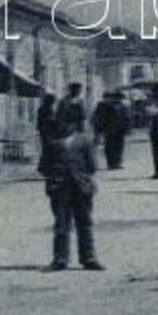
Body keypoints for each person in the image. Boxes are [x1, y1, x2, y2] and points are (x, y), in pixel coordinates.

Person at [40, 111, 101, 271]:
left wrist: (81, 175)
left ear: (74, 124)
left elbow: (92, 166)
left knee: (85, 222)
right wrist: (55, 175)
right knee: (61, 224)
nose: (64, 125)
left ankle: (89, 257)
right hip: (59, 188)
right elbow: (43, 167)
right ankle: (60, 258)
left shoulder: (84, 141)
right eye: (60, 122)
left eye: (68, 122)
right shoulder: (51, 142)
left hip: (81, 188)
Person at [91, 91, 131, 170]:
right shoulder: (107, 106)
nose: (119, 100)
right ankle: (111, 163)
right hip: (110, 130)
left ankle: (118, 162)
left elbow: (126, 118)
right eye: (119, 98)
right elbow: (103, 118)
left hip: (119, 130)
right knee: (110, 147)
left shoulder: (122, 106)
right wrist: (101, 128)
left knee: (119, 147)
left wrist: (126, 128)